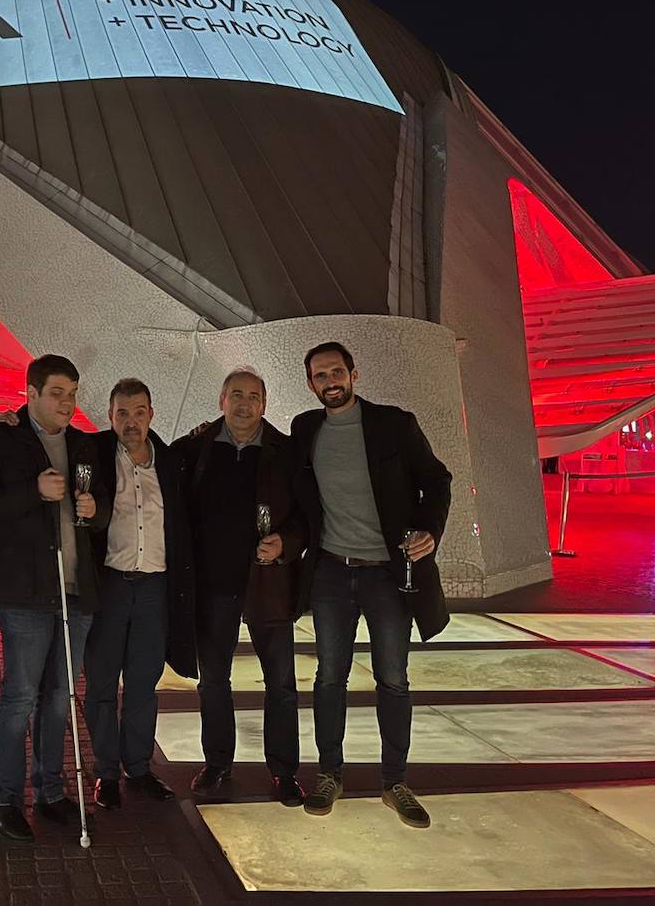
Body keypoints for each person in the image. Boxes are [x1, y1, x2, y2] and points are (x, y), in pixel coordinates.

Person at [293, 342, 451, 829]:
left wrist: (429, 529)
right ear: (311, 384)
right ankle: (329, 775)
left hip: (387, 573)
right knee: (328, 678)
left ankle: (395, 781)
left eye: (337, 371)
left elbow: (437, 479)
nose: (330, 381)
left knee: (393, 679)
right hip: (331, 573)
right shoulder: (305, 429)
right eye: (320, 376)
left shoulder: (394, 424)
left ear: (354, 374)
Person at [0, 354, 111, 843]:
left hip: (76, 591)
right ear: (32, 394)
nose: (67, 403)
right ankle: (6, 800)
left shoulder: (83, 444)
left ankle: (50, 791)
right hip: (27, 593)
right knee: (19, 698)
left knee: (59, 699)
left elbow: (102, 515)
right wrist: (32, 491)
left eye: (72, 393)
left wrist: (96, 509)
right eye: (57, 393)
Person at [174, 368, 307, 806]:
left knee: (282, 685)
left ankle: (284, 771)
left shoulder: (287, 453)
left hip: (269, 586)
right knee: (213, 682)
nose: (244, 404)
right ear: (221, 401)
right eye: (236, 395)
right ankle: (217, 764)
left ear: (265, 404)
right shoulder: (196, 450)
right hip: (214, 588)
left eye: (253, 396)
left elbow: (308, 518)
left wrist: (286, 543)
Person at [83, 378, 194, 811]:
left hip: (155, 587)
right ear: (110, 416)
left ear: (152, 414)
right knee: (102, 684)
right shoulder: (91, 454)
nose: (131, 422)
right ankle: (106, 772)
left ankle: (139, 767)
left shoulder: (170, 462)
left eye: (139, 412)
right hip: (109, 585)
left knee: (145, 685)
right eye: (122, 413)